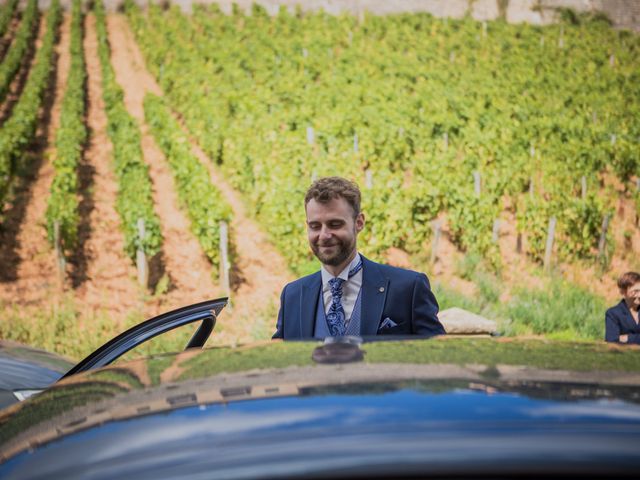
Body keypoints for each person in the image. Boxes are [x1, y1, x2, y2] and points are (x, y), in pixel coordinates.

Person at [273, 176, 445, 340]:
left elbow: (440, 356)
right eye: (315, 226)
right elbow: (279, 359)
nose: (324, 235)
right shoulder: (292, 295)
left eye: (335, 224)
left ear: (359, 222)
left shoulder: (409, 288)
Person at [605, 271, 640, 344]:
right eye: (635, 291)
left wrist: (627, 338)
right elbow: (611, 341)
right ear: (623, 292)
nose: (639, 295)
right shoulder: (613, 314)